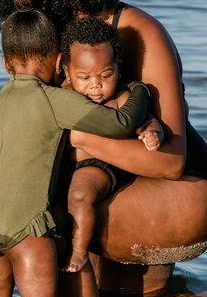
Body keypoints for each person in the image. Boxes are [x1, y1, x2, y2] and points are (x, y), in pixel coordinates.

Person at [0, 0, 207, 297]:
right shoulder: (50, 32)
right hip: (102, 176)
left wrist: (81, 140)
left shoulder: (141, 31)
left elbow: (171, 161)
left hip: (179, 184)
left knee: (44, 215)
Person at [0, 0, 152, 297]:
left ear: (5, 63)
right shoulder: (54, 99)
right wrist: (142, 91)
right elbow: (120, 124)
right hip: (25, 229)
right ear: (58, 64)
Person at [58, 17, 161, 279]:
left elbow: (147, 120)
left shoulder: (122, 98)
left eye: (106, 75)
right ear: (66, 72)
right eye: (84, 77)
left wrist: (152, 133)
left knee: (79, 194)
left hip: (99, 165)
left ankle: (79, 252)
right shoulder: (62, 94)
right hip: (69, 162)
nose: (96, 85)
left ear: (118, 67)